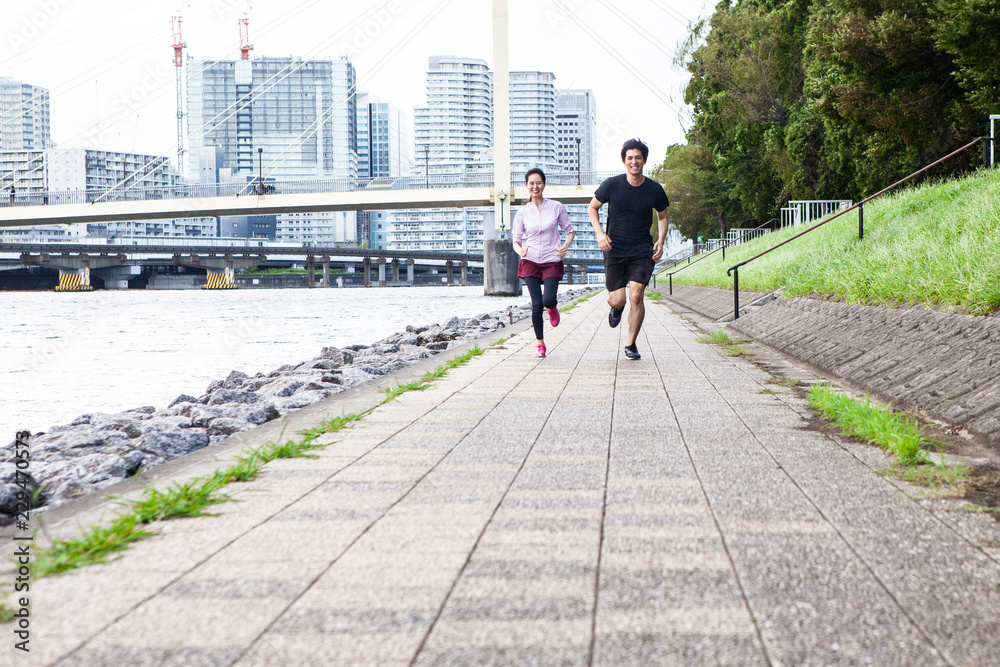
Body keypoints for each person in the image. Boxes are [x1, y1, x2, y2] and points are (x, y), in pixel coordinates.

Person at [588, 138, 669, 360]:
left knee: (636, 294)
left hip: (642, 250)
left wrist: (661, 240)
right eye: (630, 158)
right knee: (618, 299)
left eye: (638, 158)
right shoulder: (612, 185)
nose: (634, 162)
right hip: (614, 249)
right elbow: (592, 208)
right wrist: (599, 234)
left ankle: (631, 344)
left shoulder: (654, 189)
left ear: (644, 161)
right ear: (624, 161)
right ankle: (616, 308)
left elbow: (662, 216)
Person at [513, 167, 575, 358]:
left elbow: (570, 230)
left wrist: (564, 246)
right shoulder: (522, 213)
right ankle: (540, 344)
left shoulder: (556, 207)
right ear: (526, 186)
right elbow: (516, 239)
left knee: (548, 300)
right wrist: (520, 250)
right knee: (536, 303)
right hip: (530, 260)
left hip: (551, 260)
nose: (535, 186)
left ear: (544, 184)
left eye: (538, 182)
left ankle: (553, 307)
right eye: (531, 183)